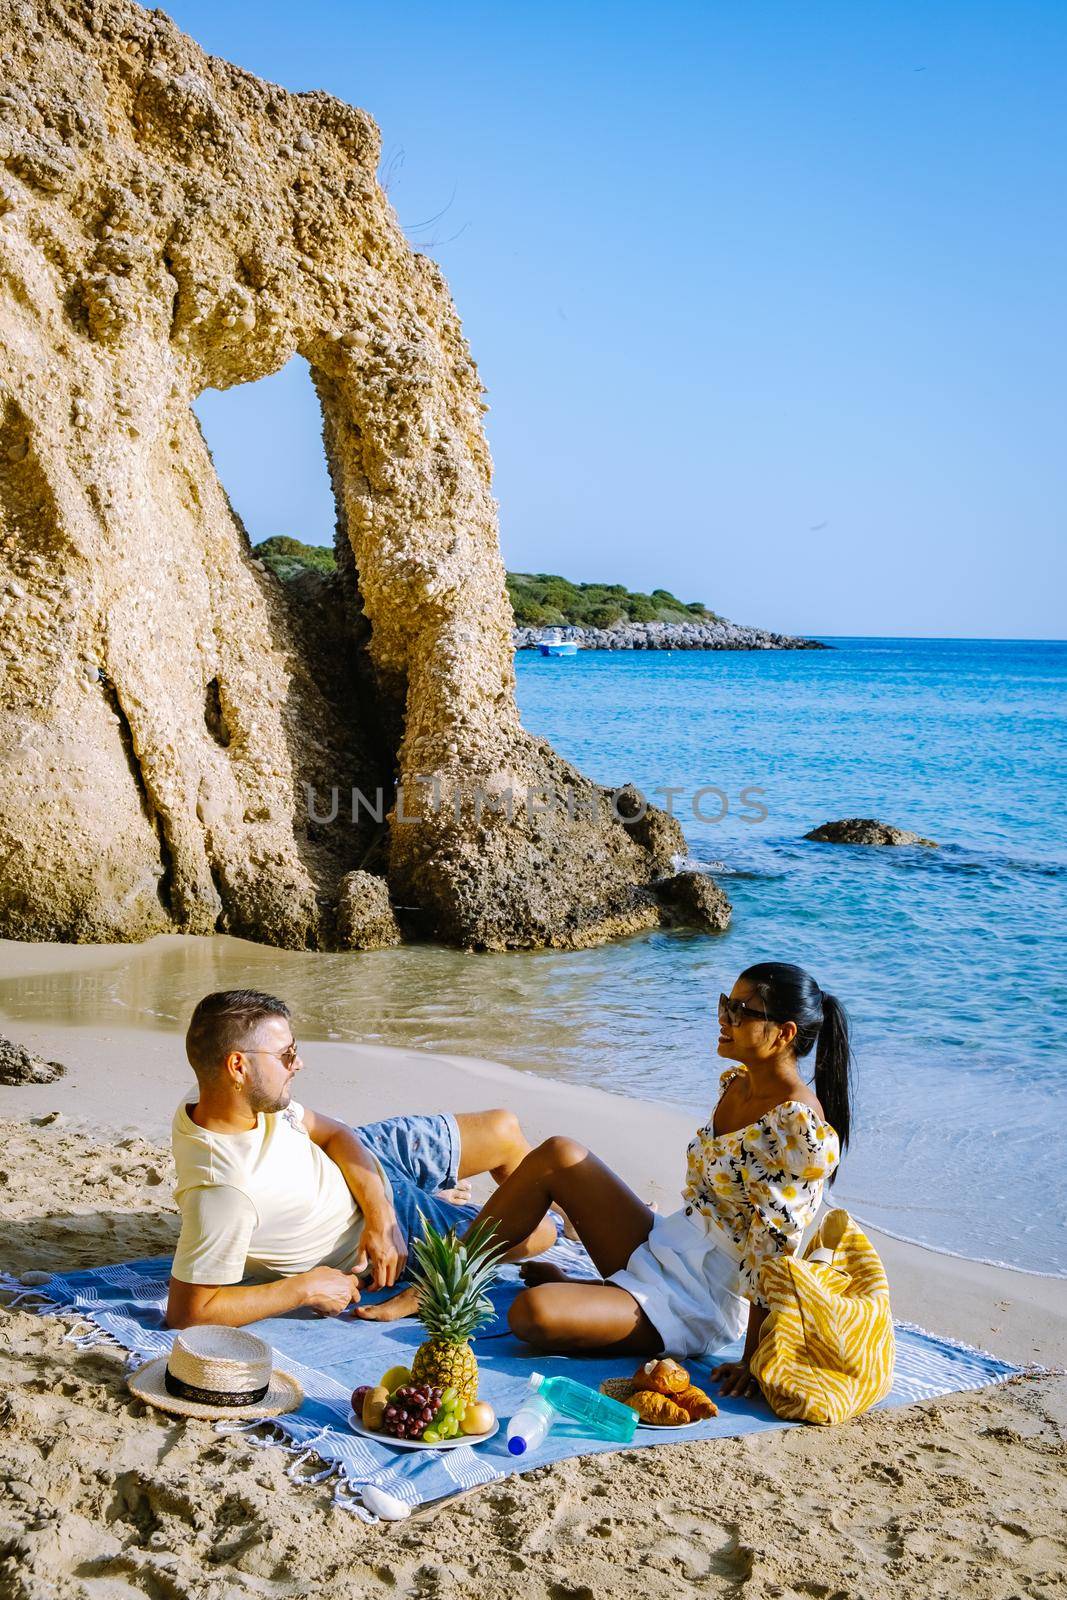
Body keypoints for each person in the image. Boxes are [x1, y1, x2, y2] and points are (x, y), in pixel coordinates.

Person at [374, 963, 851, 1400]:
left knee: (531, 1314)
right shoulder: (738, 1083)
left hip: (700, 1298)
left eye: (741, 1011)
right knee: (560, 1154)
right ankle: (441, 1284)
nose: (724, 1018)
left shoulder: (798, 1128)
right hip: (665, 1241)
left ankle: (598, 1299)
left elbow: (775, 1250)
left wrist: (752, 1360)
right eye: (724, 1004)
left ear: (784, 1033)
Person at [166, 989, 557, 1330]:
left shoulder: (225, 1098)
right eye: (286, 1055)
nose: (297, 1063)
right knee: (540, 1231)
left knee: (503, 1128)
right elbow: (188, 1313)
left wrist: (379, 1214)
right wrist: (303, 1287)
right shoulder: (224, 1194)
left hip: (365, 1161)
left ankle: (534, 1211)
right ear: (238, 1066)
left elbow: (334, 1133)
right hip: (391, 1235)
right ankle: (445, 1257)